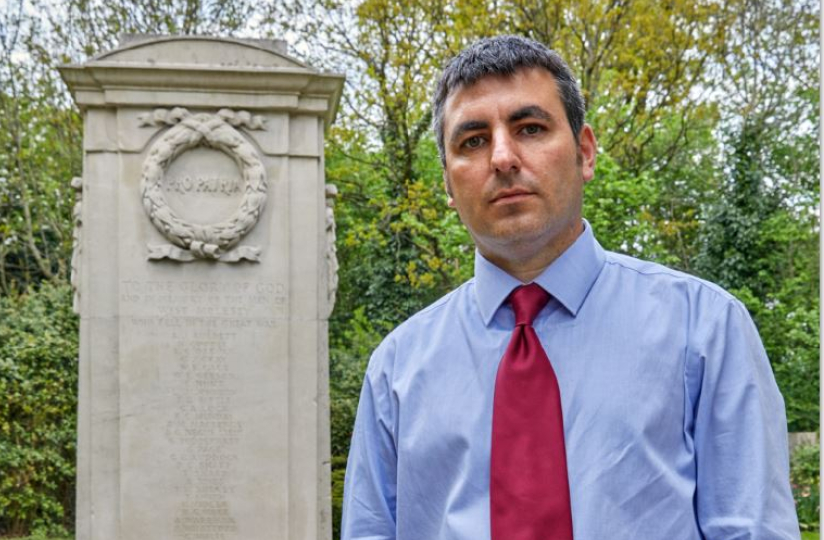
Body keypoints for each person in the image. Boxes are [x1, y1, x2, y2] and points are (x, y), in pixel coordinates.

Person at [341, 35, 800, 540]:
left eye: (530, 128)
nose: (502, 157)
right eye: (472, 140)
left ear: (584, 153)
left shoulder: (705, 329)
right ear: (449, 184)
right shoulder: (396, 372)